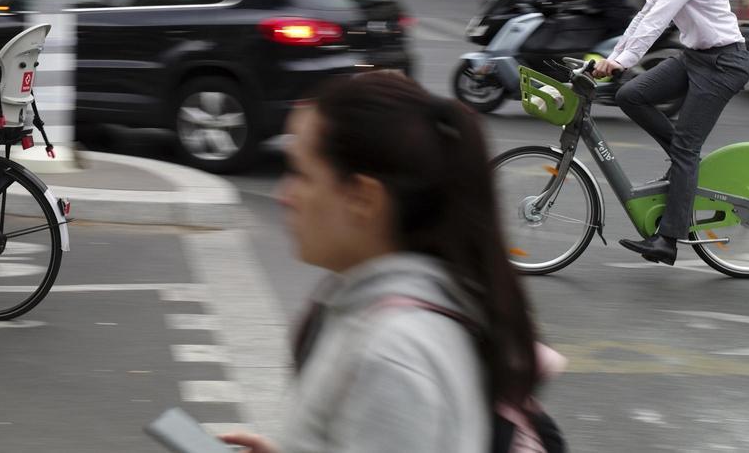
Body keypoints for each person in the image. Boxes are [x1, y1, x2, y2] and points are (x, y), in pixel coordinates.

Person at [220, 71, 540, 452]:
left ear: (363, 198)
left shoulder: (392, 354)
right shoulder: (388, 314)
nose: (283, 195)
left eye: (301, 174)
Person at [596, 0, 749, 266]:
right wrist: (614, 61)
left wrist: (621, 60)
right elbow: (644, 16)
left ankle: (668, 240)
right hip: (695, 58)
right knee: (631, 94)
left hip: (724, 63)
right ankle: (686, 163)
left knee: (684, 147)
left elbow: (659, 20)